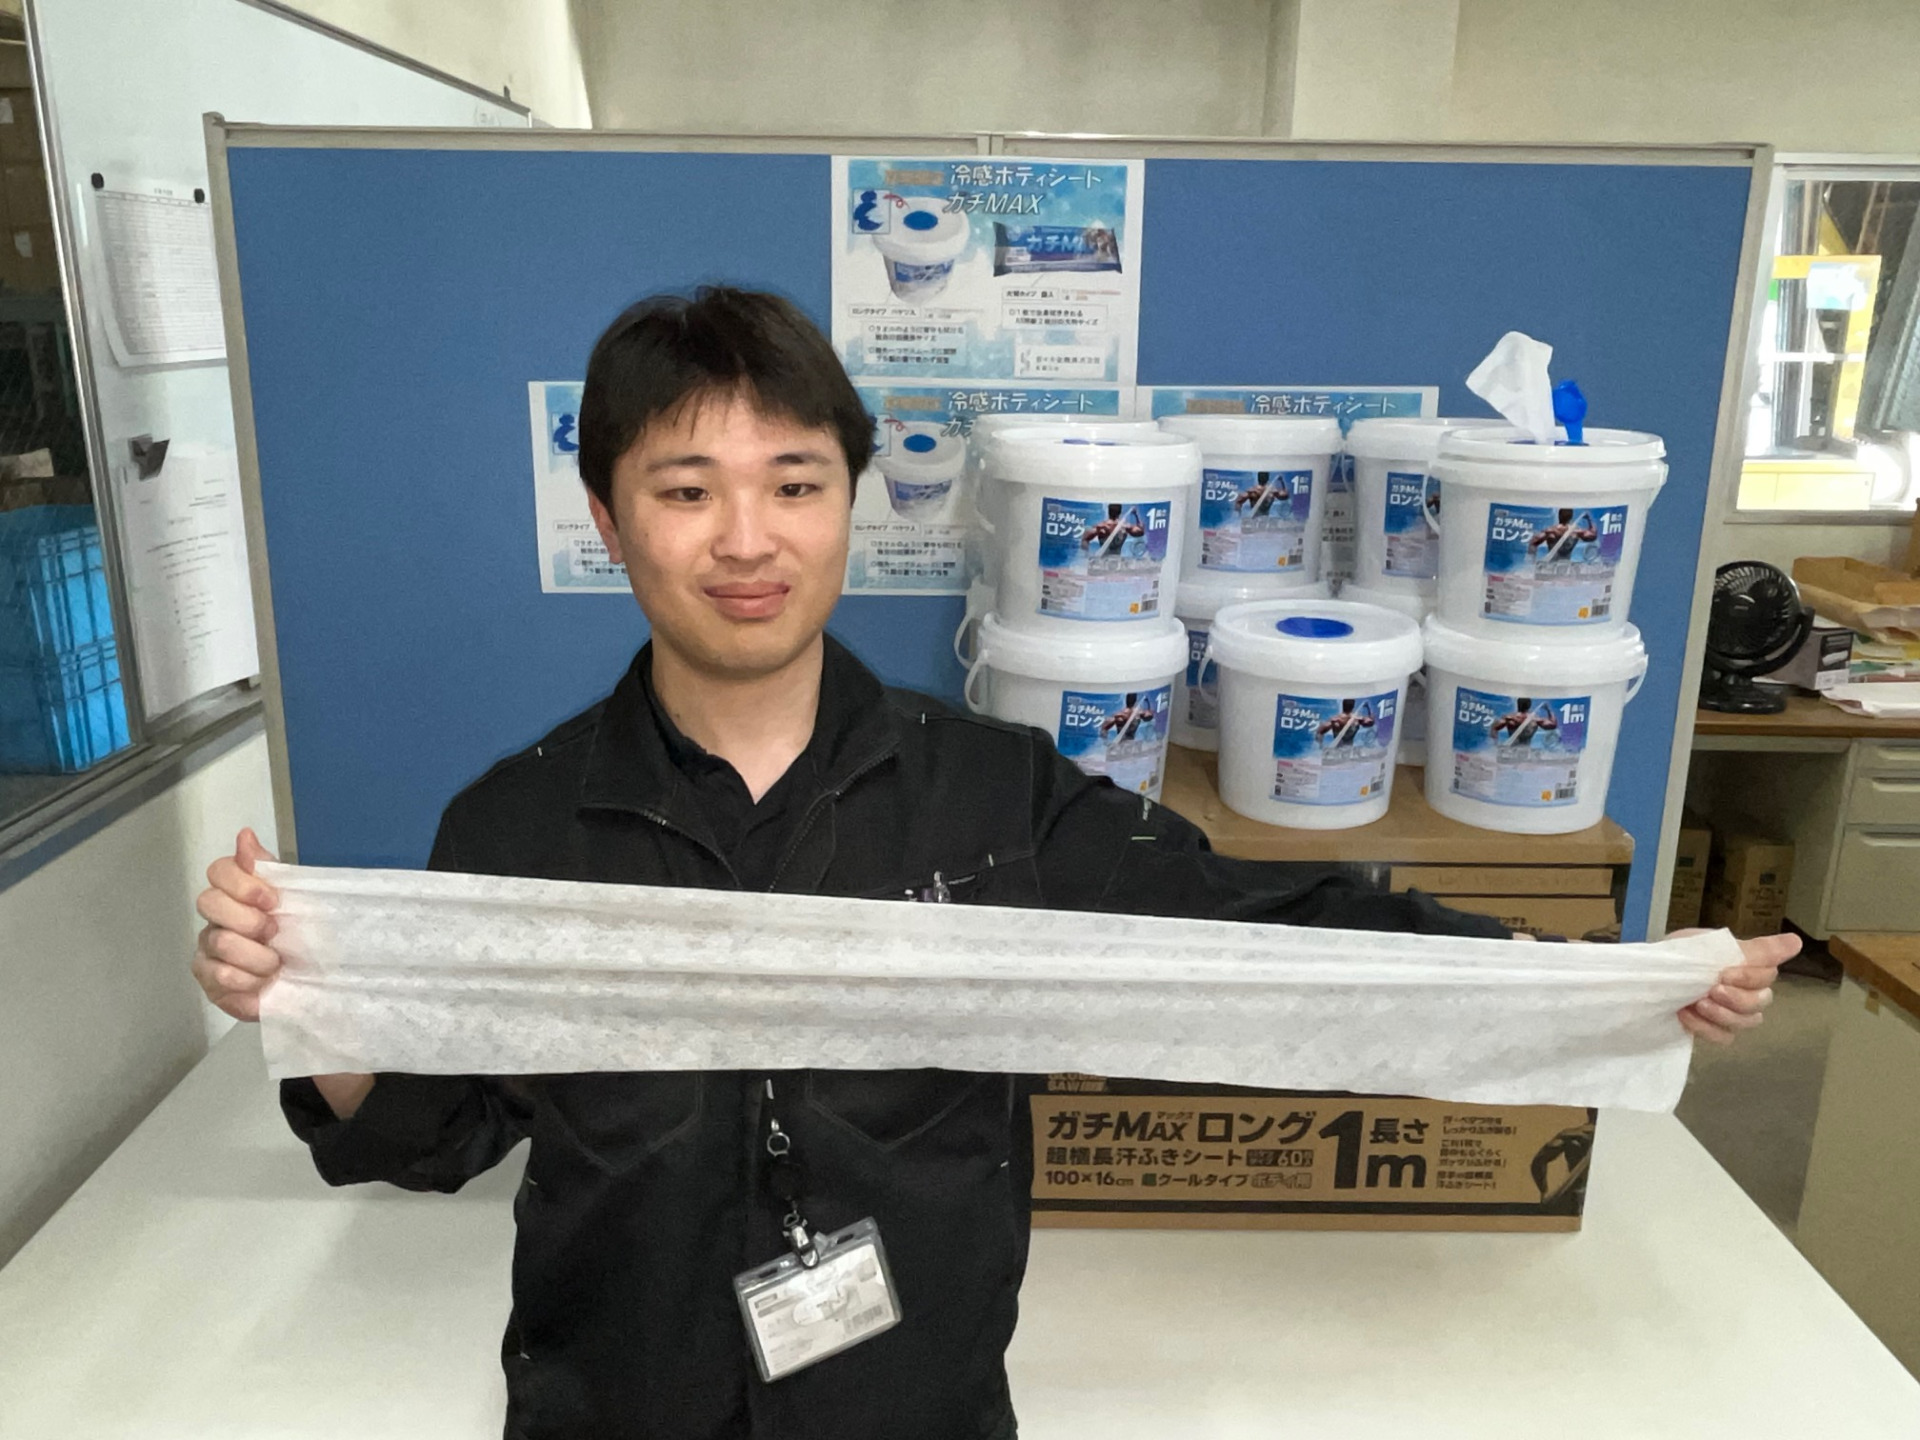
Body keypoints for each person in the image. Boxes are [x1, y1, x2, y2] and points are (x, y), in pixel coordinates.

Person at [192, 287, 1788, 1440]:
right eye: (685, 492)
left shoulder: (991, 797)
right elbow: (430, 1138)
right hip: (616, 1405)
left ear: (849, 502)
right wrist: (310, 1007)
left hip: (913, 1405)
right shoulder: (518, 825)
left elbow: (1260, 929)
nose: (746, 539)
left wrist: (1573, 984)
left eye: (794, 484)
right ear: (611, 522)